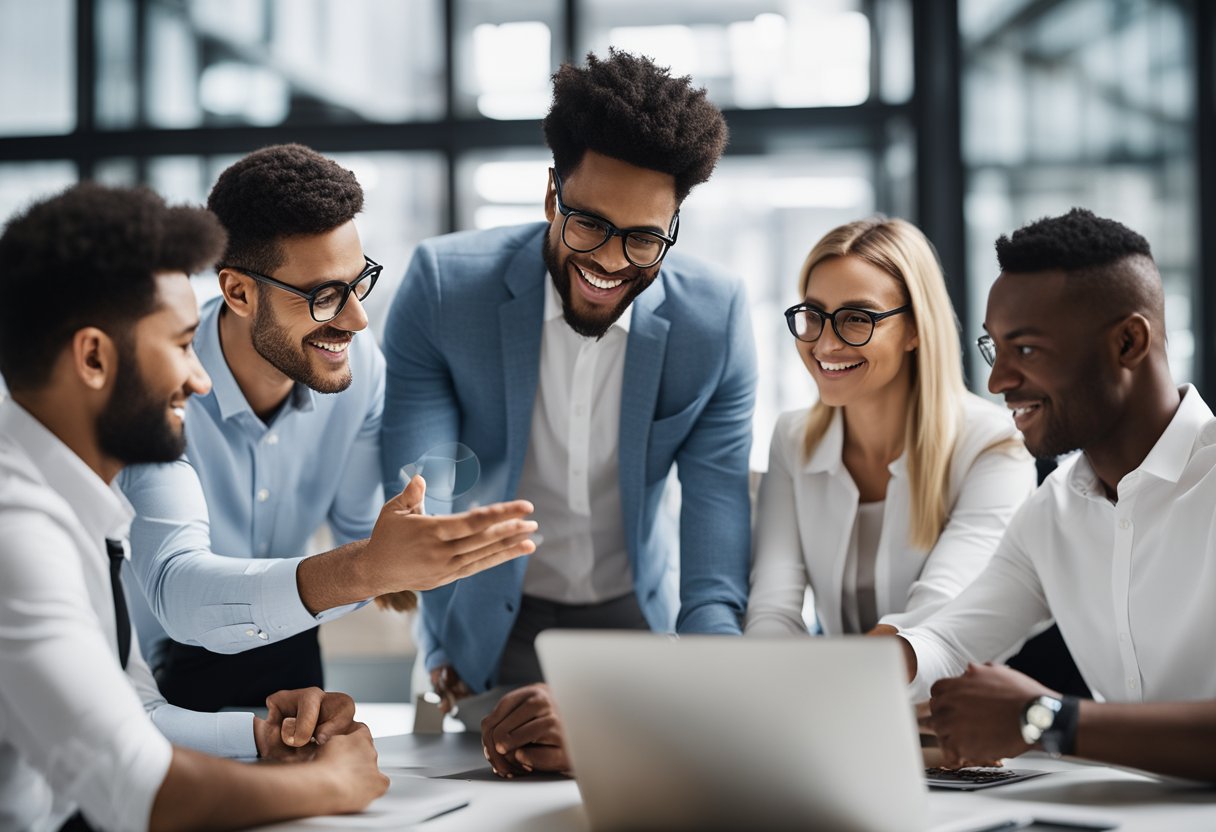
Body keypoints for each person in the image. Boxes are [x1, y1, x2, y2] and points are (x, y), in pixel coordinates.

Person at [381, 50, 755, 748]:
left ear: (674, 225)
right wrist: (442, 640)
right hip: (494, 620)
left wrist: (716, 684)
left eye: (645, 238)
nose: (612, 261)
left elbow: (715, 532)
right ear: (553, 195)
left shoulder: (716, 320)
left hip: (643, 618)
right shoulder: (443, 289)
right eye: (590, 225)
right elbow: (421, 497)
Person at [0, 182, 387, 831]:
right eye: (182, 345)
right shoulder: (18, 536)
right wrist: (330, 784)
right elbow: (137, 787)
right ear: (94, 357)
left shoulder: (73, 506)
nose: (200, 377)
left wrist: (264, 735)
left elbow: (134, 717)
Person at [118, 144, 537, 714]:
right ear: (238, 292)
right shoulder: (160, 383)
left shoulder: (358, 368)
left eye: (358, 281)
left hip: (290, 644)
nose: (358, 319)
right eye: (323, 296)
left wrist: (417, 551)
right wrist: (367, 569)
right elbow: (178, 591)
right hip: (156, 669)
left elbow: (362, 536)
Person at [884, 208, 1216, 783]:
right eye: (995, 349)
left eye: (1028, 350)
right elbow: (948, 636)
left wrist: (1047, 720)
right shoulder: (1054, 508)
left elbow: (1045, 720)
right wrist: (846, 675)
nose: (998, 381)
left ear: (1128, 342)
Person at [746, 217, 1035, 638]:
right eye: (814, 315)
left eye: (858, 318)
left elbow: (937, 616)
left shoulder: (993, 445)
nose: (825, 345)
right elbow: (772, 608)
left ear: (915, 328)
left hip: (952, 699)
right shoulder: (793, 440)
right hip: (836, 692)